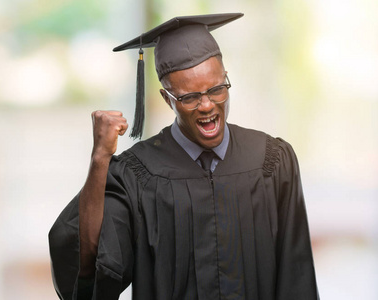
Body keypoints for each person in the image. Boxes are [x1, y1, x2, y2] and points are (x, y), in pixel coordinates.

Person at [49, 13, 319, 300]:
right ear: (168, 99)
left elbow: (296, 276)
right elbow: (87, 267)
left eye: (216, 90)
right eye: (189, 97)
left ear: (226, 80)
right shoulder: (136, 175)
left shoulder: (271, 161)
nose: (206, 105)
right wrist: (100, 158)